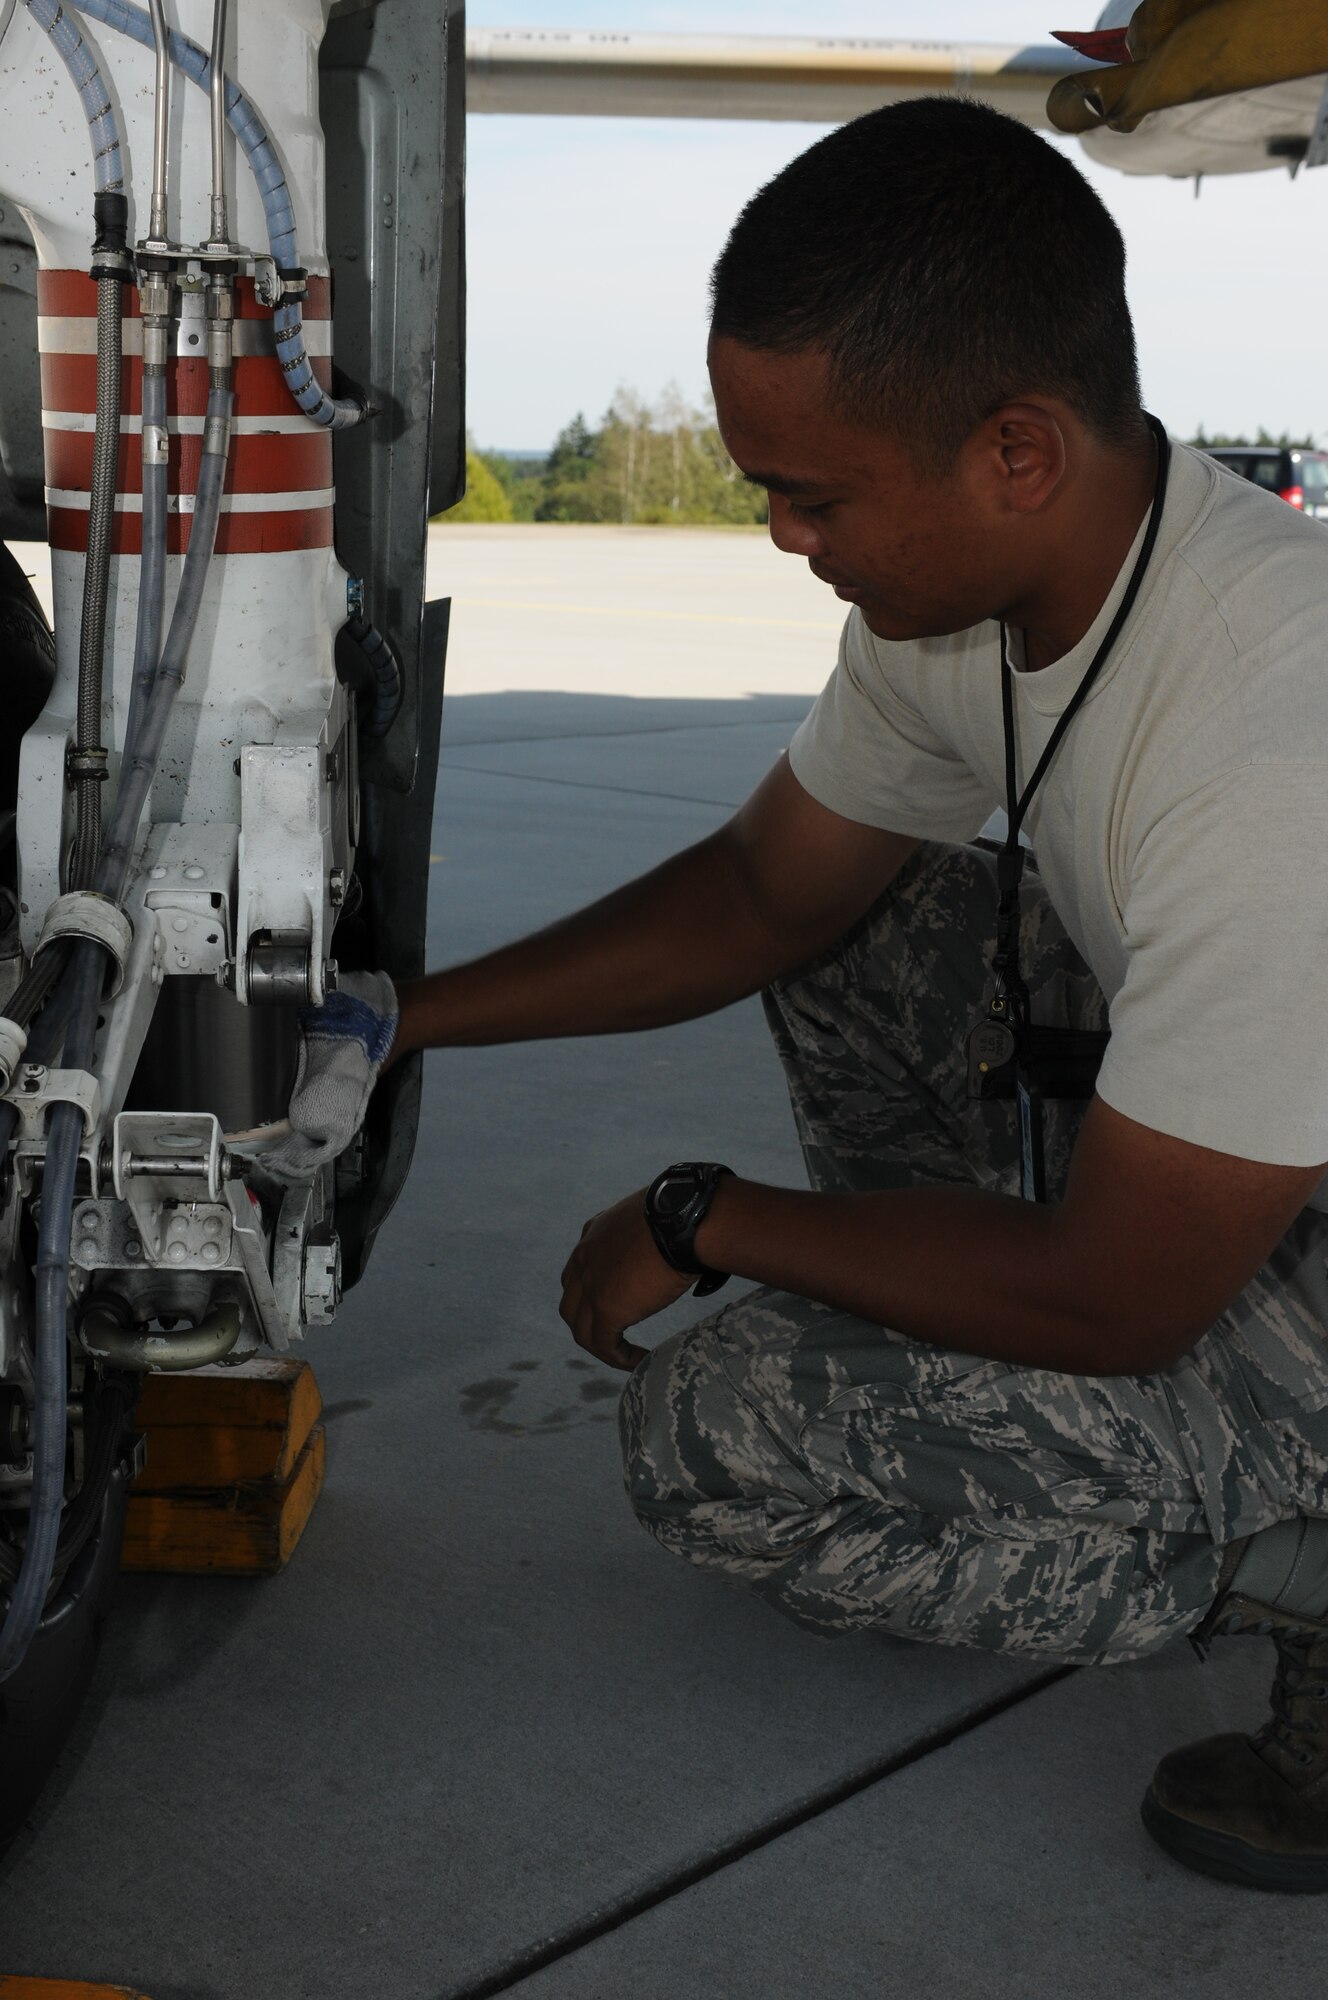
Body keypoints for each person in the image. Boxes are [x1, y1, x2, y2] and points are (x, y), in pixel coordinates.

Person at [274, 99, 1328, 1893]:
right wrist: (397, 1014)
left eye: (813, 495)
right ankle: (998, 1392)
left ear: (1016, 452)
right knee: (877, 921)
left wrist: (716, 1220)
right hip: (1235, 1192)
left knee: (721, 1434)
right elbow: (768, 891)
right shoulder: (979, 605)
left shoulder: (1269, 741)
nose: (780, 535)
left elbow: (1122, 1293)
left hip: (1186, 1263)